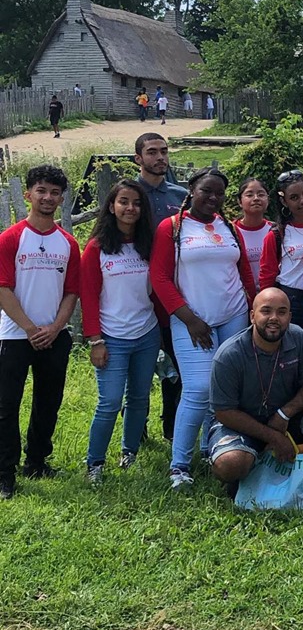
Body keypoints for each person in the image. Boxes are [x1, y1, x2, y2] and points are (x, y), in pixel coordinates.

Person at [150, 167, 256, 488]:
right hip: (191, 319)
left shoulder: (229, 227)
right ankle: (179, 465)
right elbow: (160, 277)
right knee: (197, 388)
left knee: (224, 388)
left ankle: (211, 447)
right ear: (191, 190)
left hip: (234, 316)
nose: (213, 197)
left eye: (219, 193)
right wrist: (189, 319)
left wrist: (254, 307)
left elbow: (243, 272)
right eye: (206, 191)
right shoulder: (172, 227)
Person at [208, 288, 303, 497]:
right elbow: (224, 412)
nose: (274, 318)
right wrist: (273, 436)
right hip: (242, 425)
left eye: (281, 312)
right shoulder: (229, 354)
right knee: (230, 463)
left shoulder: (298, 338)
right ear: (252, 316)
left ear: (289, 317)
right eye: (266, 311)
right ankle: (244, 480)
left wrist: (284, 413)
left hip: (286, 421)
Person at [0, 165, 80, 499]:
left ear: (61, 199)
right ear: (29, 194)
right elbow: (3, 288)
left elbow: (71, 292)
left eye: (55, 193)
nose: (48, 197)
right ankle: (5, 473)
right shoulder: (11, 238)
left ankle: (36, 461)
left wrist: (55, 327)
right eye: (41, 191)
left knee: (48, 402)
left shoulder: (68, 243)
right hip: (15, 336)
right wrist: (31, 329)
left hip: (54, 335)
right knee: (6, 406)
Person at [80, 180, 160, 482]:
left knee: (139, 398)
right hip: (111, 337)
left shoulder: (148, 244)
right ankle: (95, 463)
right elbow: (88, 296)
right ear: (111, 207)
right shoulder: (97, 248)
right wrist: (95, 340)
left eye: (137, 203)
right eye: (123, 201)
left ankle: (130, 454)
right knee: (110, 402)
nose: (130, 208)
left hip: (147, 333)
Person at [135, 132, 189, 440]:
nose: (160, 158)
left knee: (175, 365)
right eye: (152, 152)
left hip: (171, 291)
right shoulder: (129, 194)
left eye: (164, 151)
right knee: (138, 368)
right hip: (135, 291)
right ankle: (136, 431)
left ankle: (171, 427)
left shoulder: (180, 196)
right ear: (138, 158)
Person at [259, 171, 303, 333]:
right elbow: (267, 275)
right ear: (284, 201)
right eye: (294, 197)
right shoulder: (277, 235)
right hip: (290, 301)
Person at [234, 178, 274, 288]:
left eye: (261, 194)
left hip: (271, 293)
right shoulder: (231, 232)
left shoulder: (275, 230)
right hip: (241, 293)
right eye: (249, 195)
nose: (256, 198)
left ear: (268, 200)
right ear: (239, 201)